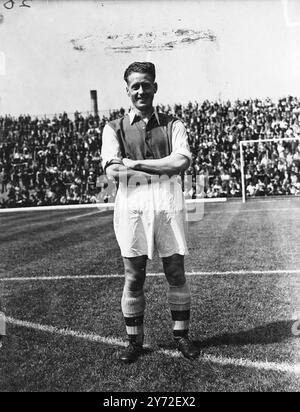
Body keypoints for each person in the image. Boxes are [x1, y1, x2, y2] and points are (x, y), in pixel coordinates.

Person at [101, 62, 200, 364]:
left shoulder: (174, 124)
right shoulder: (113, 128)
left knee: (175, 271)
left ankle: (181, 336)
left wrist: (134, 163)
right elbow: (114, 173)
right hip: (131, 206)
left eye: (146, 84)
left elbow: (180, 163)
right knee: (134, 276)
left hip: (168, 203)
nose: (141, 91)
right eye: (135, 86)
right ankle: (134, 341)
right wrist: (158, 167)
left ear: (155, 87)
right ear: (127, 90)